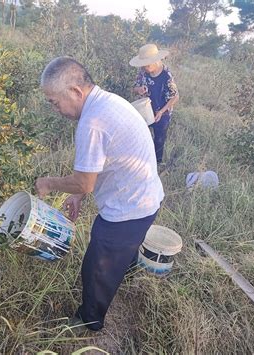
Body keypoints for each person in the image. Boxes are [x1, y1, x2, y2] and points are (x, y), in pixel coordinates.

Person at [35, 57, 164, 333]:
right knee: (124, 252)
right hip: (148, 199)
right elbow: (105, 160)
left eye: (54, 102)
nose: (55, 109)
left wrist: (49, 183)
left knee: (96, 269)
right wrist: (79, 195)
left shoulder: (92, 122)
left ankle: (89, 320)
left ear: (75, 92)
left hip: (128, 211)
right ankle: (125, 273)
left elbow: (84, 182)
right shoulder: (108, 100)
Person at [130, 43, 179, 164]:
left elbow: (175, 97)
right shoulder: (143, 72)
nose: (144, 68)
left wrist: (161, 112)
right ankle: (141, 159)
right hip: (146, 109)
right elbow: (134, 88)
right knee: (141, 135)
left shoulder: (166, 75)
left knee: (159, 140)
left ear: (155, 61)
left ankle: (157, 164)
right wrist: (139, 89)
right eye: (143, 66)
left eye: (146, 66)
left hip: (162, 111)